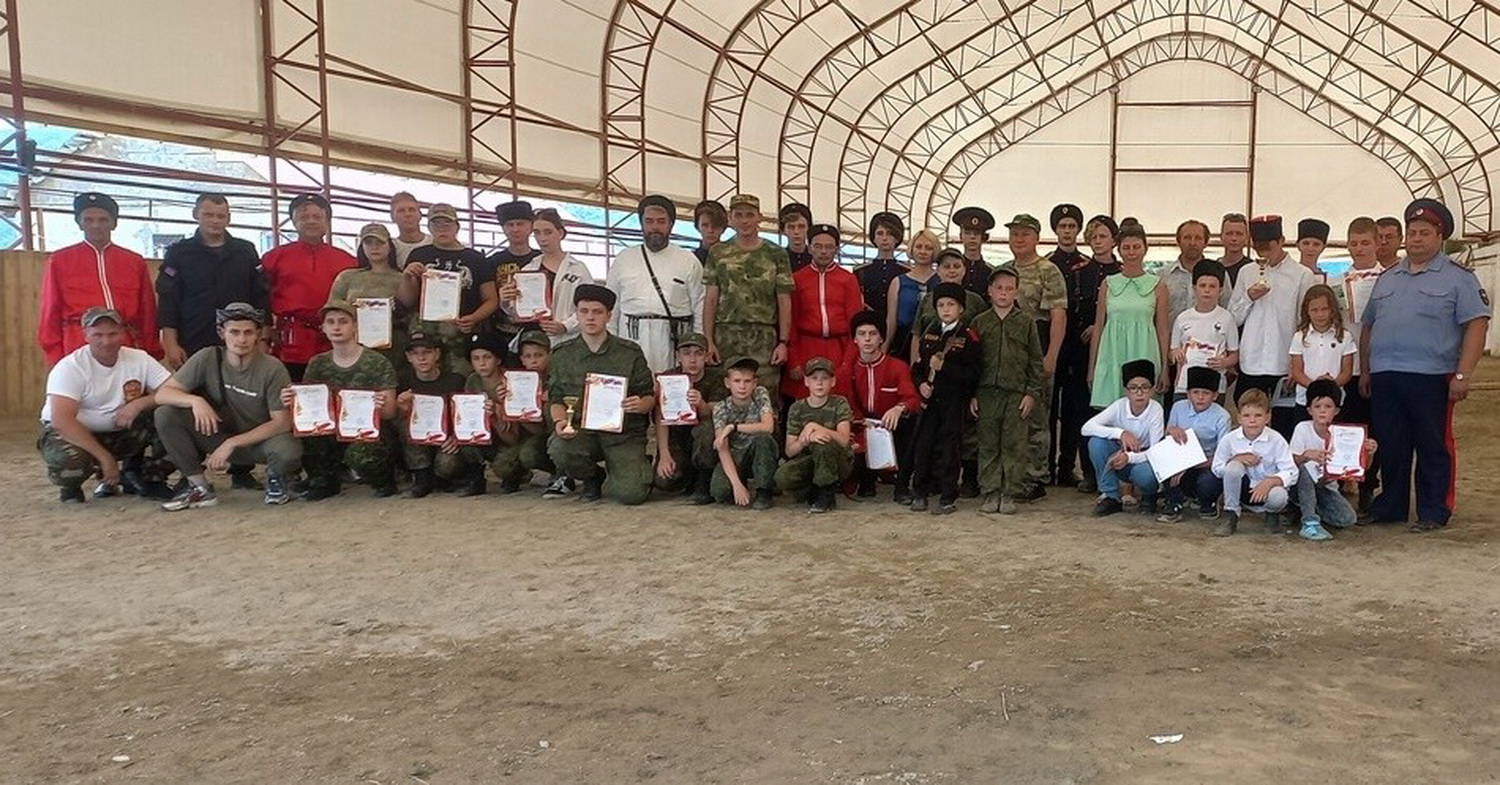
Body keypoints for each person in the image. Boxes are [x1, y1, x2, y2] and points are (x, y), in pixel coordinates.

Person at [1360, 199, 1490, 531]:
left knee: (1433, 444)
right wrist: (1367, 369)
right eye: (1412, 232)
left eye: (1424, 233)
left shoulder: (1459, 278)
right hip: (1386, 374)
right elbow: (1369, 325)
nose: (1416, 238)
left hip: (1431, 375)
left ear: (1439, 236)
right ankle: (1390, 507)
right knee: (1391, 444)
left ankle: (1434, 510)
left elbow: (1476, 325)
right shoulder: (1388, 278)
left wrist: (1463, 374)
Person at [153, 303, 300, 510]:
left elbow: (281, 423)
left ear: (258, 335)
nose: (241, 339)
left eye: (248, 332)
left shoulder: (272, 368)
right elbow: (162, 394)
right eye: (234, 332)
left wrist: (232, 443)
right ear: (222, 333)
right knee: (166, 414)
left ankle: (277, 479)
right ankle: (199, 487)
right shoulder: (208, 357)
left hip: (258, 443)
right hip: (217, 435)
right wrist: (196, 401)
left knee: (287, 449)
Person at [38, 307, 173, 503]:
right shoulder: (70, 367)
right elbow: (62, 421)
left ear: (122, 332)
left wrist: (140, 403)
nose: (106, 341)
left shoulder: (140, 359)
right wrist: (105, 459)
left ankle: (147, 477)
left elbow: (174, 390)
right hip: (77, 433)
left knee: (172, 414)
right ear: (86, 335)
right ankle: (71, 486)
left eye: (112, 334)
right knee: (70, 464)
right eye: (98, 335)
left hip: (120, 431)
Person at [547, 284, 656, 505]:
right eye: (584, 311)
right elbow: (556, 398)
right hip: (582, 432)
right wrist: (560, 422)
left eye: (597, 312)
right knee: (559, 448)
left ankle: (634, 464)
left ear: (609, 315)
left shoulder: (629, 352)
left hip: (623, 435)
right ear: (577, 314)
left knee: (631, 495)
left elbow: (649, 397)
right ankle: (592, 477)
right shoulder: (562, 354)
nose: (590, 317)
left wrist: (640, 404)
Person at [285, 300, 399, 500]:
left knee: (362, 457)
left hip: (368, 430)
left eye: (343, 321)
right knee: (308, 432)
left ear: (355, 326)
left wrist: (379, 406)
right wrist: (292, 401)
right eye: (330, 322)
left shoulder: (376, 362)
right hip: (332, 429)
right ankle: (324, 481)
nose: (336, 327)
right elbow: (309, 407)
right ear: (323, 328)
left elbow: (390, 413)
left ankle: (383, 479)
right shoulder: (318, 363)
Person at [38, 192, 161, 366]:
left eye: (103, 220)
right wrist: (56, 357)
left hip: (126, 345)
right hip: (77, 345)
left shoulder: (134, 262)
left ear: (114, 223)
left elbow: (147, 311)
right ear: (79, 223)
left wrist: (150, 351)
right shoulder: (59, 260)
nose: (96, 225)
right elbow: (50, 311)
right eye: (88, 220)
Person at [157, 194, 268, 369]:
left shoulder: (245, 251)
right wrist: (170, 344)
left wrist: (263, 340)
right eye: (208, 215)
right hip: (193, 340)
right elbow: (168, 301)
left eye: (220, 216)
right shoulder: (179, 253)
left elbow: (261, 297)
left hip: (240, 342)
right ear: (196, 214)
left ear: (228, 218)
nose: (215, 221)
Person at [1001, 213, 1069, 501]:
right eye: (1014, 234)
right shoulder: (1003, 271)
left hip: (1036, 349)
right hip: (1006, 352)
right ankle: (1011, 475)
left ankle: (1036, 477)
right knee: (1009, 416)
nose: (1018, 239)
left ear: (1037, 238)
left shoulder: (1048, 270)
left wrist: (1051, 356)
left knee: (1036, 417)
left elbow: (1058, 317)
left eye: (1025, 234)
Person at [1229, 214, 1315, 437]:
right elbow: (1233, 318)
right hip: (1251, 361)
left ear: (1282, 241)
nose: (1263, 253)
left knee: (1285, 425)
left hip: (1284, 361)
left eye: (1268, 247)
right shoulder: (1246, 272)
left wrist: (1297, 362)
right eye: (1258, 248)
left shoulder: (1302, 275)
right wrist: (1249, 297)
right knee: (1249, 423)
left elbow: (1305, 323)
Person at [261, 193, 357, 381]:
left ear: (327, 221)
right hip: (290, 343)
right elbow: (261, 298)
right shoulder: (273, 258)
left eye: (317, 217)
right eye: (304, 217)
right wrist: (265, 334)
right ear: (294, 221)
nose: (311, 221)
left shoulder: (348, 261)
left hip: (335, 340)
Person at [704, 194, 794, 394]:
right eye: (739, 215)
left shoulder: (776, 253)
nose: (744, 220)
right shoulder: (718, 252)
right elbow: (711, 299)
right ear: (730, 218)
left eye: (750, 215)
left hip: (764, 338)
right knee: (724, 395)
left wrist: (783, 342)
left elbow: (784, 300)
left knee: (764, 395)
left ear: (759, 217)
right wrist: (708, 340)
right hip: (726, 336)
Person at [970, 266, 1042, 515]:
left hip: (1016, 394)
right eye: (999, 288)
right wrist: (973, 393)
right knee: (988, 444)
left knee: (1015, 444)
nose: (1003, 293)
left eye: (1009, 288)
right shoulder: (979, 322)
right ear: (989, 291)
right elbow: (971, 362)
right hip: (986, 393)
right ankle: (990, 491)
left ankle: (1010, 492)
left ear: (1016, 292)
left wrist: (1031, 393)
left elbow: (1035, 360)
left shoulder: (1026, 322)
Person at [607, 195, 705, 373]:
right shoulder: (623, 259)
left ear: (671, 224)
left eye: (661, 221)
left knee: (671, 385)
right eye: (649, 221)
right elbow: (612, 307)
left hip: (673, 339)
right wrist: (610, 342)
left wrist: (698, 343)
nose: (655, 227)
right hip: (631, 335)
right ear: (641, 224)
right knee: (635, 382)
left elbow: (700, 305)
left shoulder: (688, 260)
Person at [1053, 215, 1116, 490]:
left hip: (1113, 348)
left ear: (1114, 240)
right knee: (1080, 410)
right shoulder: (1078, 271)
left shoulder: (1122, 271)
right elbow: (1069, 309)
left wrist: (1099, 326)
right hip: (1080, 350)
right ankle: (1086, 470)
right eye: (1094, 237)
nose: (1098, 241)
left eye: (1103, 236)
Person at [907, 283, 981, 515]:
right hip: (930, 400)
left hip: (953, 400)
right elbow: (918, 367)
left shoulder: (968, 336)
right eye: (941, 305)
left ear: (961, 308)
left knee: (950, 447)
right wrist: (920, 384)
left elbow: (973, 374)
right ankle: (920, 492)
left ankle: (948, 496)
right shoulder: (930, 333)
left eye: (951, 304)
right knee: (924, 444)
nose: (946, 309)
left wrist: (945, 367)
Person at [401, 203, 499, 376]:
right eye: (436, 224)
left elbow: (491, 300)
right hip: (425, 335)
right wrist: (407, 277)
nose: (442, 228)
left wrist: (474, 318)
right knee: (425, 381)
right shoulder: (419, 255)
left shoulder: (475, 258)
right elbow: (407, 300)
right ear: (429, 227)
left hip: (461, 334)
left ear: (457, 226)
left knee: (461, 379)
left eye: (447, 223)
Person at [1328, 216, 1383, 513]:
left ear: (1377, 243)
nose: (1359, 248)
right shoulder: (1336, 281)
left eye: (1365, 243)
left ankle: (1368, 487)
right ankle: (1339, 486)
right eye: (1354, 243)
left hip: (1378, 365)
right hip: (1344, 368)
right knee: (1342, 427)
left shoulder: (1390, 279)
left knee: (1373, 430)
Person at [839, 311, 921, 501]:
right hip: (861, 425)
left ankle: (901, 485)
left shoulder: (897, 367)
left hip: (890, 424)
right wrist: (856, 420)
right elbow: (841, 403)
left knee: (910, 425)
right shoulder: (847, 371)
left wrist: (899, 408)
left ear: (882, 338)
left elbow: (912, 399)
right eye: (862, 333)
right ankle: (866, 481)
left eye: (873, 333)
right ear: (855, 339)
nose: (867, 339)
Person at [1088, 222, 1169, 407]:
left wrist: (1164, 368)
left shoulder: (1158, 286)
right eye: (1126, 247)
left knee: (1143, 408)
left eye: (1136, 247)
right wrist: (1092, 368)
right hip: (1112, 354)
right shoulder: (1108, 284)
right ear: (1119, 250)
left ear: (1145, 248)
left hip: (1145, 351)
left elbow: (1163, 330)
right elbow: (1099, 327)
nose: (1132, 252)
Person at [396, 328, 483, 498]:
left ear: (437, 354)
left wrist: (457, 436)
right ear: (408, 357)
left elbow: (469, 415)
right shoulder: (403, 381)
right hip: (419, 442)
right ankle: (421, 480)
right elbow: (392, 418)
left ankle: (447, 479)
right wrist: (401, 409)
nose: (421, 358)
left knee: (446, 465)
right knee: (404, 425)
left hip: (447, 440)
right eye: (415, 353)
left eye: (427, 352)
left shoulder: (456, 381)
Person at [469, 330, 554, 495]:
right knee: (502, 464)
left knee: (528, 454)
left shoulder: (555, 377)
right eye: (528, 356)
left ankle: (559, 472)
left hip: (545, 434)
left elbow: (535, 431)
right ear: (521, 359)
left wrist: (510, 409)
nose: (533, 360)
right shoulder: (512, 382)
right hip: (510, 435)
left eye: (538, 355)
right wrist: (505, 407)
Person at [785, 223, 863, 401]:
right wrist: (793, 360)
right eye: (818, 246)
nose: (823, 251)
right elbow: (791, 322)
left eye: (829, 247)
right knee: (805, 403)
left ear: (836, 249)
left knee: (838, 402)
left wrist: (848, 362)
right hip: (806, 348)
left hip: (839, 349)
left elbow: (855, 325)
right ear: (810, 248)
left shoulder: (848, 279)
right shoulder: (797, 279)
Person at [1289, 379, 1375, 541]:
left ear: (1336, 411)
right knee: (1306, 468)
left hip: (1326, 487)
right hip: (1300, 483)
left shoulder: (1344, 434)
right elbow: (1290, 463)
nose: (1322, 411)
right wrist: (1306, 455)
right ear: (1309, 410)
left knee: (1347, 519)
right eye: (1317, 406)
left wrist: (1368, 453)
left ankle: (1307, 508)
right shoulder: (1302, 428)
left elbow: (1363, 468)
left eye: (1328, 407)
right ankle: (1309, 521)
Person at [1083, 359, 1165, 517]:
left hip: (1142, 460)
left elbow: (1155, 451)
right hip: (1119, 458)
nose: (1139, 393)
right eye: (1133, 388)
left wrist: (1129, 457)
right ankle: (1110, 495)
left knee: (1146, 476)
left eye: (1145, 387)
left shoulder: (1156, 410)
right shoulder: (1119, 406)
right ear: (1126, 391)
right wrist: (1120, 433)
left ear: (1152, 390)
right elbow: (1086, 428)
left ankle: (1149, 495)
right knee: (1096, 443)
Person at [1211, 388, 1297, 536]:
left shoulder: (1277, 440)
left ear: (1267, 417)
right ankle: (1232, 514)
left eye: (1258, 415)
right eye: (1246, 415)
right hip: (1242, 489)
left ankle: (1272, 515)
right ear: (1239, 418)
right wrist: (1235, 459)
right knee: (1233, 467)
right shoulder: (1230, 439)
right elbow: (1217, 468)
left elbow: (1292, 471)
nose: (1252, 420)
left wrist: (1271, 482)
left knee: (1279, 495)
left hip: (1266, 490)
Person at [653, 332, 727, 503]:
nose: (692, 360)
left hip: (704, 438)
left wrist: (701, 404)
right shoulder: (668, 378)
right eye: (686, 354)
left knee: (706, 429)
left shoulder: (716, 378)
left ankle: (703, 479)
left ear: (707, 356)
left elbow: (716, 414)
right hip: (677, 437)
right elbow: (660, 418)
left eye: (698, 353)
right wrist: (664, 454)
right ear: (678, 356)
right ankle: (687, 475)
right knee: (664, 482)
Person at [775, 357, 853, 514]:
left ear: (833, 382)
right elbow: (790, 451)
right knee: (782, 477)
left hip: (837, 460)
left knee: (821, 442)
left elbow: (844, 440)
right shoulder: (797, 408)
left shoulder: (839, 403)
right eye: (814, 378)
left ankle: (826, 492)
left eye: (825, 378)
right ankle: (813, 491)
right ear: (806, 381)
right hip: (809, 459)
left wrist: (815, 427)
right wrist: (804, 441)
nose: (819, 383)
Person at [331, 223, 410, 375]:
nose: (375, 247)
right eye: (369, 243)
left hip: (394, 350)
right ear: (362, 247)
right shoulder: (347, 277)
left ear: (389, 246)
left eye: (380, 242)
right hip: (353, 347)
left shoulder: (402, 278)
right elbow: (332, 311)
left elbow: (410, 313)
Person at [508, 207, 594, 346]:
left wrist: (566, 326)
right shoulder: (528, 270)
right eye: (537, 233)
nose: (542, 238)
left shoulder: (578, 269)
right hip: (535, 341)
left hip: (568, 341)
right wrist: (507, 300)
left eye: (548, 232)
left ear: (560, 233)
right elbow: (516, 311)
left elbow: (590, 306)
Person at [1157, 367, 1232, 523]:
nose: (1200, 397)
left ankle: (1207, 502)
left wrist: (1189, 464)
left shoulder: (1222, 416)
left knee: (1208, 482)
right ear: (1188, 393)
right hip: (1180, 461)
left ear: (1215, 395)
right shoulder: (1178, 407)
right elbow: (1168, 436)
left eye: (1206, 393)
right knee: (1164, 462)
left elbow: (1222, 456)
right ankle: (1174, 501)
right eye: (1195, 392)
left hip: (1207, 463)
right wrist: (1172, 430)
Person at [709, 356, 779, 509]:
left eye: (747, 381)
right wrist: (736, 485)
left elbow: (768, 427)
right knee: (720, 493)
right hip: (736, 454)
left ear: (754, 383)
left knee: (763, 439)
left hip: (757, 451)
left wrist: (733, 427)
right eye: (737, 381)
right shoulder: (721, 408)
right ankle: (741, 482)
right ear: (727, 383)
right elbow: (722, 447)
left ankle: (764, 490)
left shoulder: (760, 394)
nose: (742, 386)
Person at [1168, 261, 1238, 400]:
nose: (1207, 290)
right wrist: (1174, 353)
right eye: (1202, 285)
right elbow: (1172, 351)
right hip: (1185, 386)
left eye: (1212, 286)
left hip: (1214, 388)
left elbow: (1234, 355)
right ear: (1194, 288)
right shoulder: (1182, 318)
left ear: (1220, 290)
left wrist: (1224, 363)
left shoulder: (1227, 318)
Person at [1288, 284, 1355, 418]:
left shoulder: (1345, 336)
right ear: (1307, 311)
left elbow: (1347, 372)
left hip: (1334, 403)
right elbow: (1297, 371)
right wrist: (1315, 387)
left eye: (1325, 309)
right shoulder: (1299, 337)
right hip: (1305, 401)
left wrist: (1330, 386)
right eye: (1314, 310)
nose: (1320, 314)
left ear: (1332, 310)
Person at [487, 200, 542, 347]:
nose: (515, 229)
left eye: (520, 224)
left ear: (531, 226)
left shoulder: (542, 259)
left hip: (537, 332)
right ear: (503, 229)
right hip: (501, 332)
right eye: (510, 225)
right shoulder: (492, 261)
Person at [884, 229, 941, 361]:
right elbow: (891, 320)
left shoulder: (941, 281)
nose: (923, 251)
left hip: (933, 344)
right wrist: (885, 346)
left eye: (928, 248)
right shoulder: (898, 282)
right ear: (912, 249)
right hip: (902, 343)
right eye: (919, 247)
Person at [1160, 219, 1217, 329]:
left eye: (1198, 238)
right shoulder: (1163, 277)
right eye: (1187, 238)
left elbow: (1227, 308)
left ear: (1206, 243)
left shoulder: (1218, 274)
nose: (1192, 243)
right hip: (1171, 337)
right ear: (1178, 241)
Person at [854, 211, 910, 321]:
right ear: (873, 238)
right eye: (880, 233)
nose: (884, 238)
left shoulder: (906, 272)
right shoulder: (861, 272)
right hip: (869, 323)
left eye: (890, 233)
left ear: (897, 238)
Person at [952, 206, 994, 295]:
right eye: (967, 233)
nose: (972, 237)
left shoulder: (990, 272)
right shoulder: (953, 270)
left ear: (984, 237)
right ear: (961, 236)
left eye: (977, 233)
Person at [389, 192, 431, 266]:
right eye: (401, 211)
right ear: (392, 217)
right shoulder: (389, 249)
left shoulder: (435, 242)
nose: (407, 214)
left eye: (412, 210)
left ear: (420, 215)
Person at [1218, 213, 1252, 288]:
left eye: (1239, 234)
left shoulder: (1252, 269)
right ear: (1221, 237)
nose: (1234, 238)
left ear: (1247, 238)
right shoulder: (1213, 268)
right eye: (1229, 234)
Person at [780, 202, 814, 273]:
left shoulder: (817, 259)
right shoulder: (777, 259)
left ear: (809, 229)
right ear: (783, 230)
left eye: (801, 226)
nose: (796, 232)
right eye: (791, 227)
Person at [692, 199, 728, 265]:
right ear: (697, 226)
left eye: (715, 225)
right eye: (705, 225)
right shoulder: (690, 260)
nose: (710, 230)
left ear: (723, 227)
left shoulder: (736, 259)